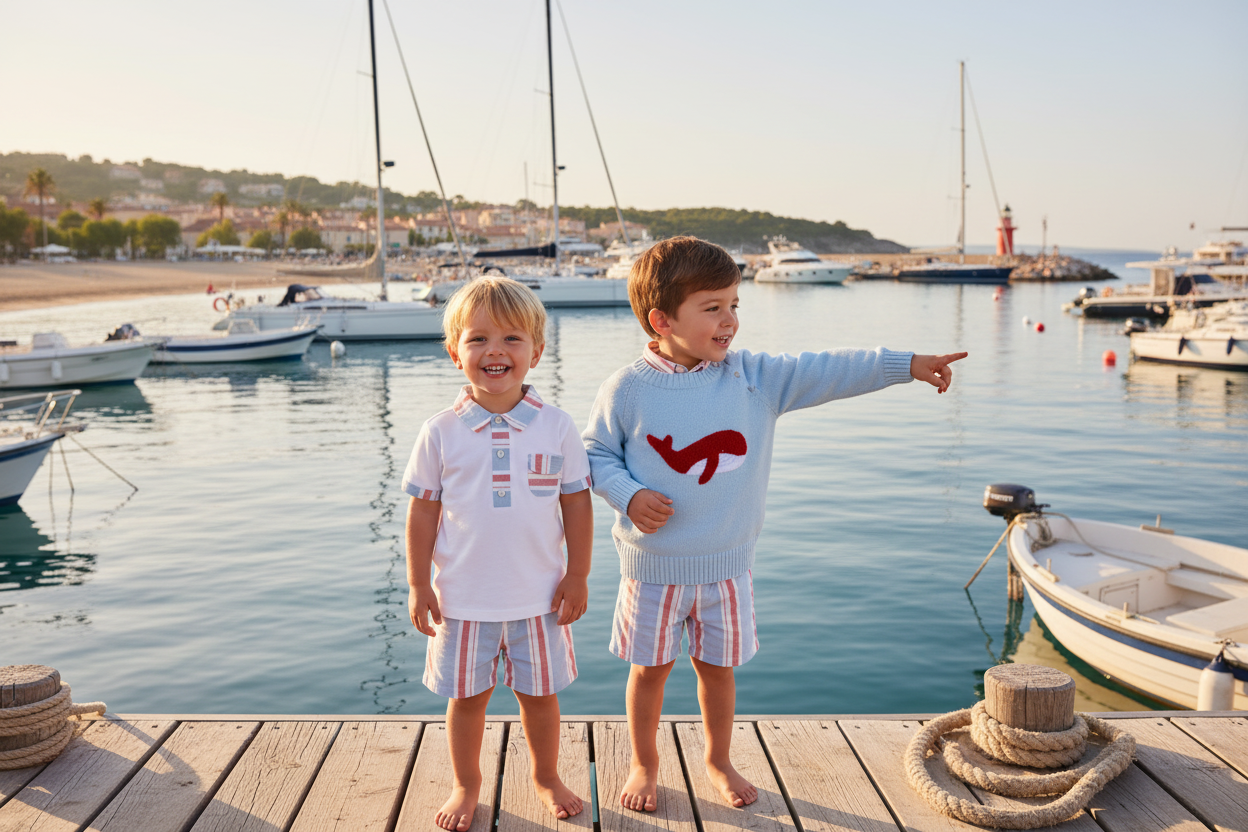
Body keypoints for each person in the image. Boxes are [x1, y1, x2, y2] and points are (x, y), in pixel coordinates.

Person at [583, 236, 966, 812]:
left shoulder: (753, 378)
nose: (730, 321)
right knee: (649, 672)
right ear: (662, 320)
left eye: (734, 305)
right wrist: (627, 494)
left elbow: (829, 368)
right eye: (713, 308)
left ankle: (718, 760)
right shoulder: (626, 388)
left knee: (718, 672)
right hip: (653, 569)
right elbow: (594, 454)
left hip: (727, 568)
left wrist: (906, 365)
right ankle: (644, 764)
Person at [403, 276, 594, 831]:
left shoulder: (557, 426)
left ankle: (546, 776)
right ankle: (466, 783)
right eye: (479, 338)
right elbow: (423, 512)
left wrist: (578, 574)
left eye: (512, 338)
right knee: (467, 700)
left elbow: (577, 504)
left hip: (540, 599)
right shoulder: (440, 432)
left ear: (536, 351)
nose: (496, 351)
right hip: (462, 602)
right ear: (454, 351)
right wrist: (418, 583)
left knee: (540, 698)